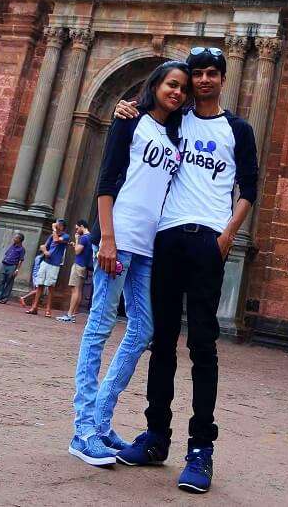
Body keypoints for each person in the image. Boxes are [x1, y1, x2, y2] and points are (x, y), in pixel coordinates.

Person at [115, 47, 258, 494]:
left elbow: (250, 185)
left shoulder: (238, 129)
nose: (203, 81)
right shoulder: (175, 122)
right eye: (197, 74)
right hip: (167, 236)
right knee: (161, 340)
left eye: (212, 73)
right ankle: (157, 435)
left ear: (222, 78)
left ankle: (200, 450)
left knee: (202, 344)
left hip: (207, 241)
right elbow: (147, 120)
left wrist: (228, 233)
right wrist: (127, 107)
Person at [69, 61, 189, 468]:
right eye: (171, 84)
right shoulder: (129, 120)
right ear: (155, 85)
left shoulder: (175, 136)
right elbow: (107, 180)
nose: (177, 92)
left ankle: (101, 420)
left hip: (150, 247)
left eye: (182, 89)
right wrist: (107, 237)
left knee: (143, 329)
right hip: (118, 240)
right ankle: (82, 429)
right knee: (100, 326)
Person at [26, 219, 70, 317]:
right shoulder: (51, 236)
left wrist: (54, 229)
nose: (56, 226)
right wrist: (45, 251)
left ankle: (48, 309)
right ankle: (34, 307)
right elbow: (44, 246)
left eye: (58, 225)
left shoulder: (65, 236)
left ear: (62, 227)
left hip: (54, 264)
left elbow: (56, 240)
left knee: (50, 287)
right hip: (45, 262)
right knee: (39, 285)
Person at [57, 220, 92, 324]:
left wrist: (77, 240)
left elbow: (77, 251)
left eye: (77, 228)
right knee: (79, 290)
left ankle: (69, 314)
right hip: (84, 266)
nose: (76, 230)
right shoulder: (91, 237)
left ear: (82, 226)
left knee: (75, 290)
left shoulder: (83, 237)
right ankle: (73, 313)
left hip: (79, 265)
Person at [0, 233, 26, 303]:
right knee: (1, 281)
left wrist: (17, 269)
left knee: (9, 283)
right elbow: (7, 254)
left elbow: (21, 260)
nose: (14, 239)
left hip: (12, 266)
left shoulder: (21, 249)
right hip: (5, 264)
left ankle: (4, 298)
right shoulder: (12, 246)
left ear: (19, 240)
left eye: (16, 238)